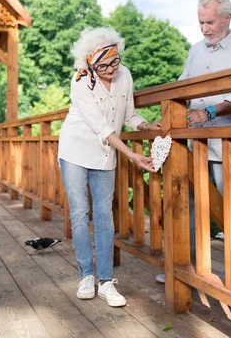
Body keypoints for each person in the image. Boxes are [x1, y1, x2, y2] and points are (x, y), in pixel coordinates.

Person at [156, 0, 231, 287]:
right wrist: (163, 114)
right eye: (201, 22)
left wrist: (208, 111)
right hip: (195, 143)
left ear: (227, 18)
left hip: (228, 142)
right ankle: (185, 267)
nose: (204, 28)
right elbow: (182, 85)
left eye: (210, 22)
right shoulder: (195, 50)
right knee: (187, 202)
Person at [58, 27, 161, 308]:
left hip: (105, 156)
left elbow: (128, 114)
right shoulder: (80, 82)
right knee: (80, 213)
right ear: (90, 62)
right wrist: (132, 155)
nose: (110, 69)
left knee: (104, 214)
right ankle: (86, 276)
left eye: (114, 61)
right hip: (76, 151)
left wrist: (145, 125)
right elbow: (102, 128)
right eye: (102, 65)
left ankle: (105, 281)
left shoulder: (124, 74)